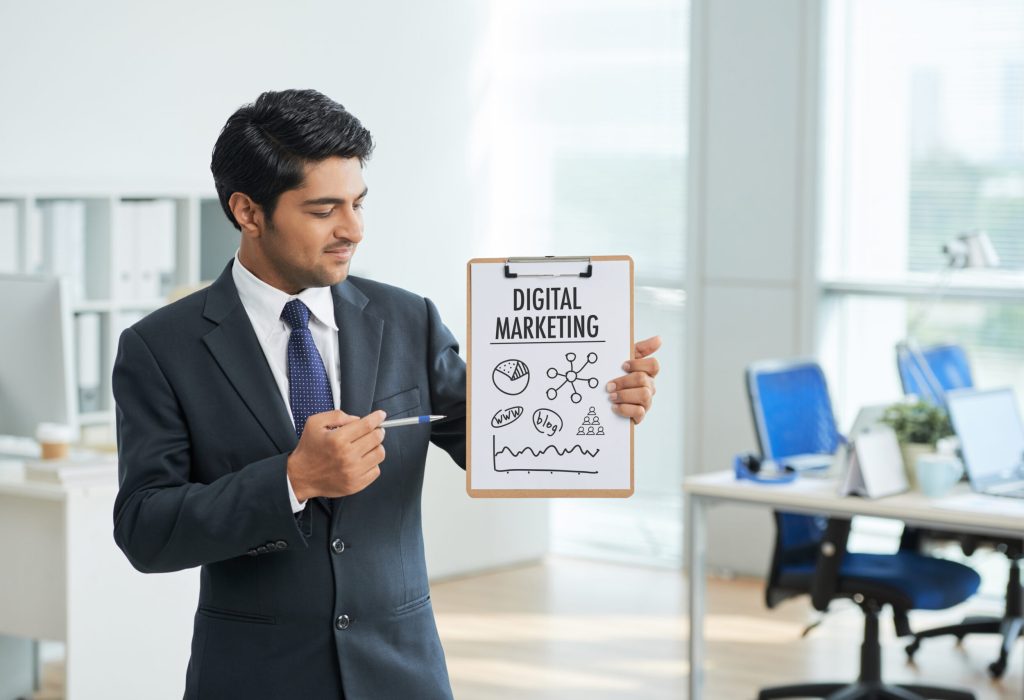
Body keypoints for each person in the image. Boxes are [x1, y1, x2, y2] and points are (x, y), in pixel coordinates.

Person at [112, 89, 661, 699]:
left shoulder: (409, 319)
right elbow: (146, 528)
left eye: (358, 203)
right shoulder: (161, 348)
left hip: (402, 672)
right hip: (254, 676)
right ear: (247, 211)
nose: (353, 229)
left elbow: (501, 445)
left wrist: (598, 405)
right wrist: (292, 480)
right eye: (324, 210)